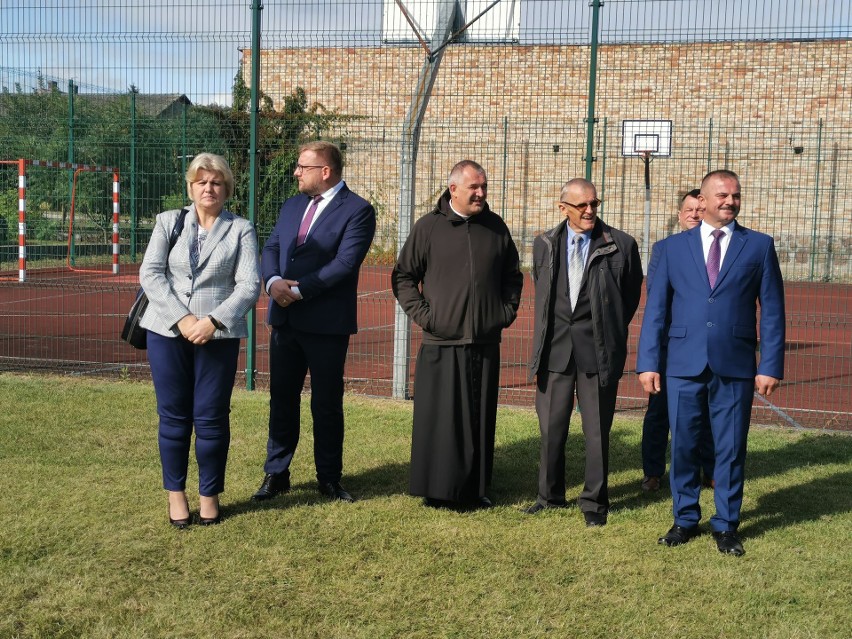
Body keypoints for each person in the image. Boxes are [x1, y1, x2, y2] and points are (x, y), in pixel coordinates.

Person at [637, 169, 785, 556]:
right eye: (721, 195)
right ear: (701, 201)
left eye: (735, 195)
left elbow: (772, 311)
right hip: (682, 364)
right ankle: (684, 519)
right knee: (683, 445)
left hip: (735, 365)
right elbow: (655, 311)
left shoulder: (759, 246)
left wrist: (769, 364)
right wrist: (648, 363)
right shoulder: (671, 248)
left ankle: (726, 524)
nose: (730, 202)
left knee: (731, 448)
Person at [392, 160, 523, 509]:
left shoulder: (496, 228)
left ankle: (475, 489)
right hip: (441, 341)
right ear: (454, 189)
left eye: (483, 186)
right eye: (473, 188)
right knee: (441, 421)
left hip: (484, 341)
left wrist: (503, 313)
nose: (481, 193)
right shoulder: (428, 228)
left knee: (479, 418)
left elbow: (513, 276)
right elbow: (404, 276)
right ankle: (437, 491)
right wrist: (426, 317)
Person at [140, 152, 261, 528]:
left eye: (217, 182)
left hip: (218, 336)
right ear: (191, 187)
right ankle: (176, 496)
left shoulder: (241, 228)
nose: (209, 188)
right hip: (166, 331)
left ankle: (209, 495)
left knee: (210, 419)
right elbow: (151, 274)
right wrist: (184, 318)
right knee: (173, 418)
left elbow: (250, 284)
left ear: (226, 189)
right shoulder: (167, 222)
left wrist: (213, 321)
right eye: (202, 182)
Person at [253, 141, 376, 503]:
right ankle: (277, 474)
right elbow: (272, 246)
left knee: (326, 403)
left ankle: (329, 478)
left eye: (302, 167)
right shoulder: (292, 205)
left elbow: (345, 263)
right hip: (286, 320)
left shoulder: (358, 210)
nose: (296, 172)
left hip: (326, 323)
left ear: (325, 171)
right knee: (281, 399)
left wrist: (301, 290)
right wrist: (274, 282)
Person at [524, 178, 643, 526]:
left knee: (596, 430)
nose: (590, 211)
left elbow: (629, 296)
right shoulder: (543, 244)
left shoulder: (621, 244)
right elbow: (544, 293)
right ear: (563, 208)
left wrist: (607, 328)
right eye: (582, 205)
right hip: (555, 351)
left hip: (598, 351)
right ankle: (549, 496)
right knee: (551, 428)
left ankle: (595, 503)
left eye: (594, 203)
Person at [640, 189, 715, 492]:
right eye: (689, 210)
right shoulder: (665, 249)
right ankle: (653, 472)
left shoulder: (719, 248)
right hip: (672, 347)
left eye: (700, 209)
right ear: (680, 214)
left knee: (708, 414)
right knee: (659, 412)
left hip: (708, 347)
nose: (694, 215)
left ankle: (708, 469)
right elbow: (657, 297)